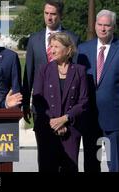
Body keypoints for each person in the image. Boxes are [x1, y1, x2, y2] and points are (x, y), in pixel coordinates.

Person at [77, 9, 119, 172]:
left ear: (114, 27)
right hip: (89, 117)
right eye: (100, 24)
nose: (103, 29)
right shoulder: (83, 50)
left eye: (107, 25)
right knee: (92, 163)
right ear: (95, 25)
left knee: (114, 164)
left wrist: (116, 101)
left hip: (114, 119)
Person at [32, 32, 88, 172]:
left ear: (68, 49)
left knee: (69, 168)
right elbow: (38, 99)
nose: (52, 50)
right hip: (46, 128)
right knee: (47, 168)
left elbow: (84, 101)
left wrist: (64, 119)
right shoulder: (43, 69)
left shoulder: (80, 71)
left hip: (70, 129)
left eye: (56, 46)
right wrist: (54, 122)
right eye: (51, 46)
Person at [22, 0, 79, 122]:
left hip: (65, 103)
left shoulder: (73, 39)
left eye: (53, 14)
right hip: (40, 103)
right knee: (43, 141)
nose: (49, 17)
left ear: (60, 15)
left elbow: (76, 74)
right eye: (46, 13)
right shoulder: (34, 39)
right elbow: (28, 74)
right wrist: (25, 103)